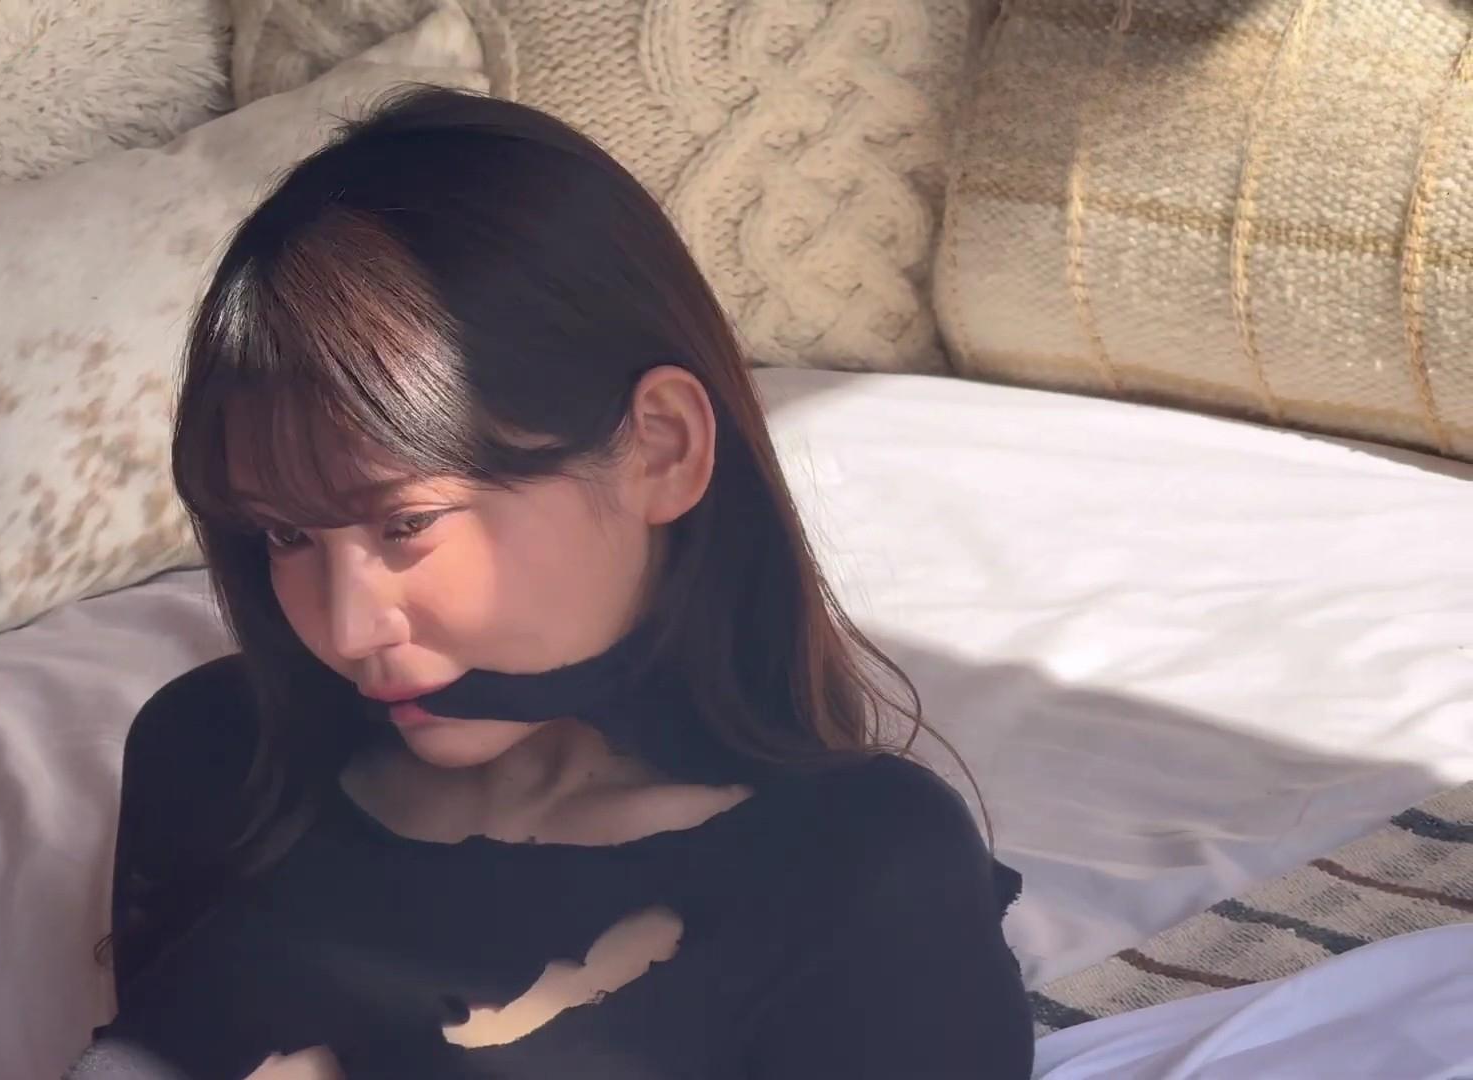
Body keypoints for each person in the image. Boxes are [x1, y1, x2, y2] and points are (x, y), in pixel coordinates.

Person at [68, 85, 1032, 1080]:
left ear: (661, 447)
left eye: (406, 524)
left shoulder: (860, 871)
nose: (348, 630)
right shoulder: (214, 754)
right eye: (284, 534)